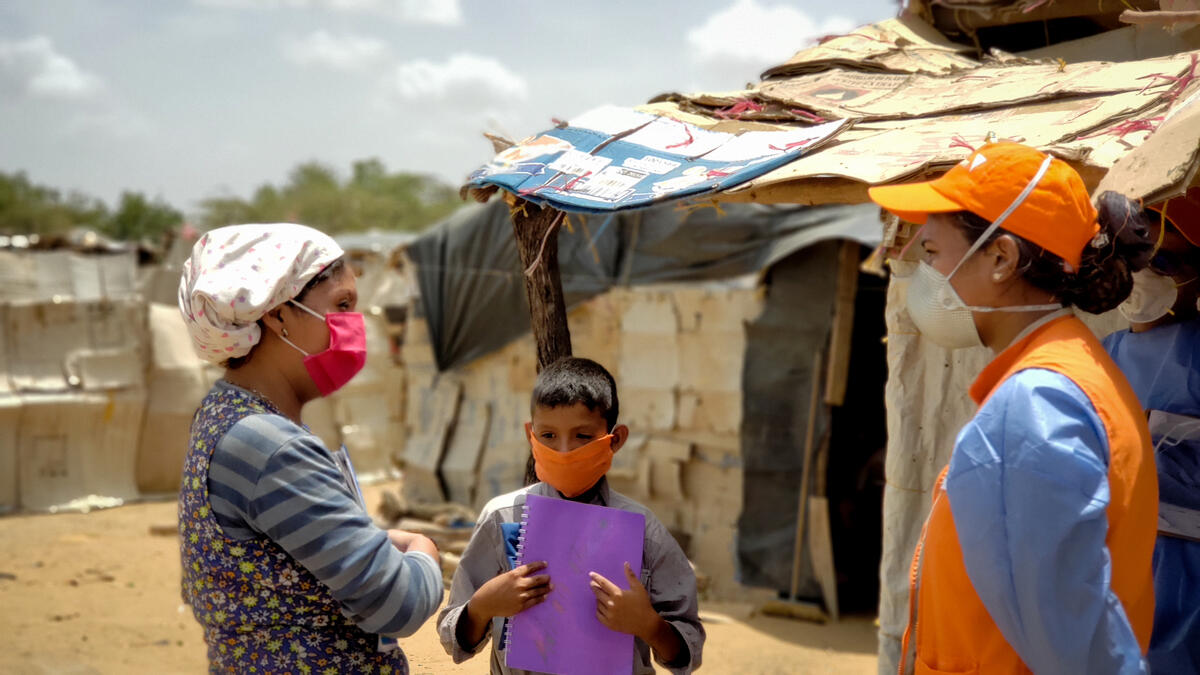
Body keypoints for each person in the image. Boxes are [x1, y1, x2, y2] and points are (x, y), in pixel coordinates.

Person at [869, 142, 1159, 674]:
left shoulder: (1035, 408)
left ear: (1000, 258)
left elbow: (1068, 645)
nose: (923, 270)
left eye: (931, 253)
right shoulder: (1077, 372)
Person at [177, 223, 443, 673]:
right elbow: (399, 603)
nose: (353, 325)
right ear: (278, 314)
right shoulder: (268, 446)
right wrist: (423, 548)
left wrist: (371, 544)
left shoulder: (225, 413)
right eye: (341, 306)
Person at [437, 357, 705, 674]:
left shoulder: (644, 531)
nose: (565, 452)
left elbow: (688, 648)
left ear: (615, 439)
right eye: (548, 436)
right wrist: (482, 607)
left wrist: (649, 626)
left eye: (582, 436)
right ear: (530, 435)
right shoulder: (503, 516)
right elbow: (453, 632)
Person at [1103, 187, 1200, 674]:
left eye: (1168, 261)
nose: (1147, 273)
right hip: (1115, 569)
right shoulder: (1101, 355)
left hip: (1190, 577)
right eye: (1139, 256)